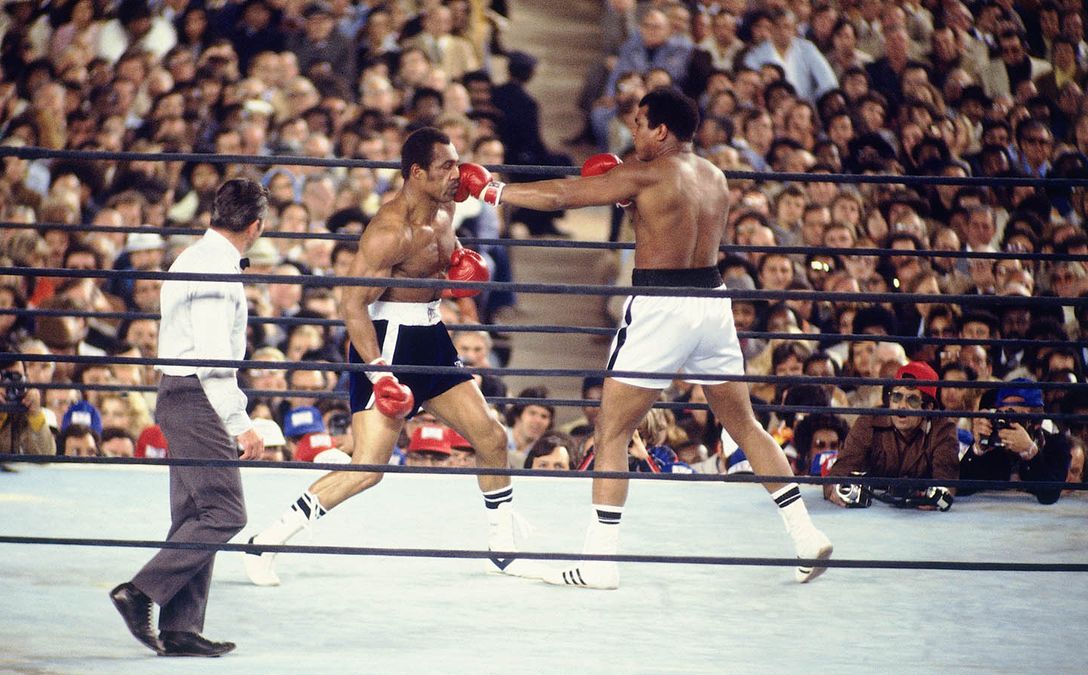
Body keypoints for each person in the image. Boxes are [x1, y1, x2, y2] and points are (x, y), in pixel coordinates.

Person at [459, 87, 831, 589]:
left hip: (662, 307)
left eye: (638, 124)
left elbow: (563, 196)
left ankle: (598, 562)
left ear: (661, 129)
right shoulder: (715, 177)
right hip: (713, 302)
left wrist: (493, 191)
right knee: (743, 423)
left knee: (611, 429)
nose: (632, 133)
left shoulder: (647, 173)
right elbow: (668, 228)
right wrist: (630, 202)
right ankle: (805, 534)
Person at [243, 127, 540, 587]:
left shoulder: (448, 204)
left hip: (430, 334)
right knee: (369, 467)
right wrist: (379, 370)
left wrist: (461, 258)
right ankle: (268, 540)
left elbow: (438, 252)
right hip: (388, 339)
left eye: (456, 163)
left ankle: (502, 549)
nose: (455, 174)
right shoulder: (388, 230)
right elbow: (351, 304)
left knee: (492, 436)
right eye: (445, 166)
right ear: (416, 173)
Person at [109, 178, 267, 658]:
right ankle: (139, 592)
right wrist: (241, 423)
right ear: (255, 227)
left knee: (195, 515)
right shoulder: (214, 269)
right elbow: (214, 358)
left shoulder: (192, 257)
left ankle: (180, 629)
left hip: (181, 393)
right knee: (225, 514)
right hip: (198, 395)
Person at [824, 362, 959, 511]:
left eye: (912, 400)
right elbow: (837, 474)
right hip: (872, 515)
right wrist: (836, 491)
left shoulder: (943, 429)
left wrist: (936, 497)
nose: (901, 406)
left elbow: (946, 482)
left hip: (921, 520)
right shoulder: (868, 422)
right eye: (896, 397)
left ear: (928, 408)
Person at [960, 379, 1074, 505]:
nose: (1009, 423)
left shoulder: (1056, 444)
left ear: (1036, 422)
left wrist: (1030, 452)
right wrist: (977, 450)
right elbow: (960, 489)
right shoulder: (992, 445)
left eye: (1015, 417)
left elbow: (1049, 496)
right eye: (1003, 415)